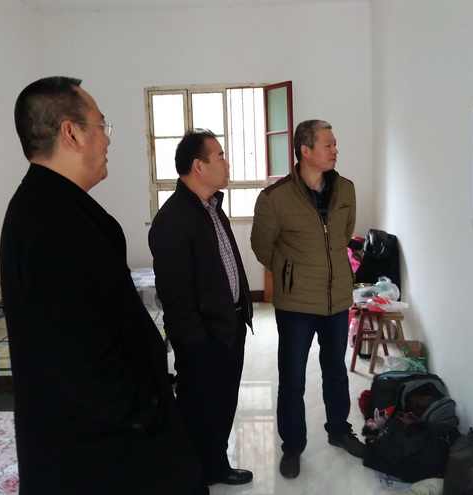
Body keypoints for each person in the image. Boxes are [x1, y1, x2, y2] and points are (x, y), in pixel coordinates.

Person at [0, 76, 206, 495]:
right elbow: (85, 360)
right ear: (71, 133)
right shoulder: (52, 224)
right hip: (103, 450)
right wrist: (147, 413)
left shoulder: (51, 206)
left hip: (105, 436)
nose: (108, 139)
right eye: (101, 126)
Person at [250, 119, 364, 479]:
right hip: (296, 304)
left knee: (336, 371)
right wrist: (292, 273)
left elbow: (344, 235)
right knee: (292, 378)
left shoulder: (345, 189)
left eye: (334, 143)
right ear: (305, 151)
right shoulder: (275, 198)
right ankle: (292, 446)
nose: (335, 150)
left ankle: (339, 430)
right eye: (328, 144)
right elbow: (262, 247)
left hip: (337, 300)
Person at [148, 129, 254, 487]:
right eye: (220, 156)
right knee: (197, 410)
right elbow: (175, 297)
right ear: (198, 166)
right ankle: (189, 477)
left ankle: (215, 465)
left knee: (223, 404)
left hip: (230, 326)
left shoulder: (212, 208)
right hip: (205, 339)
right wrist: (197, 342)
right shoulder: (173, 220)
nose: (227, 163)